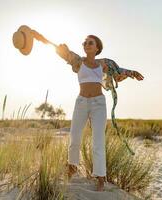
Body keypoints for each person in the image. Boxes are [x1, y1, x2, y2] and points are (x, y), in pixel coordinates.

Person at [56, 35, 144, 191]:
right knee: (74, 137)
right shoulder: (78, 61)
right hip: (81, 102)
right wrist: (55, 46)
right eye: (85, 43)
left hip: (98, 104)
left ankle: (100, 178)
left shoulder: (104, 64)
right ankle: (72, 168)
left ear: (97, 47)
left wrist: (132, 73)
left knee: (98, 141)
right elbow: (64, 53)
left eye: (90, 43)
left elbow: (118, 71)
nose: (87, 45)